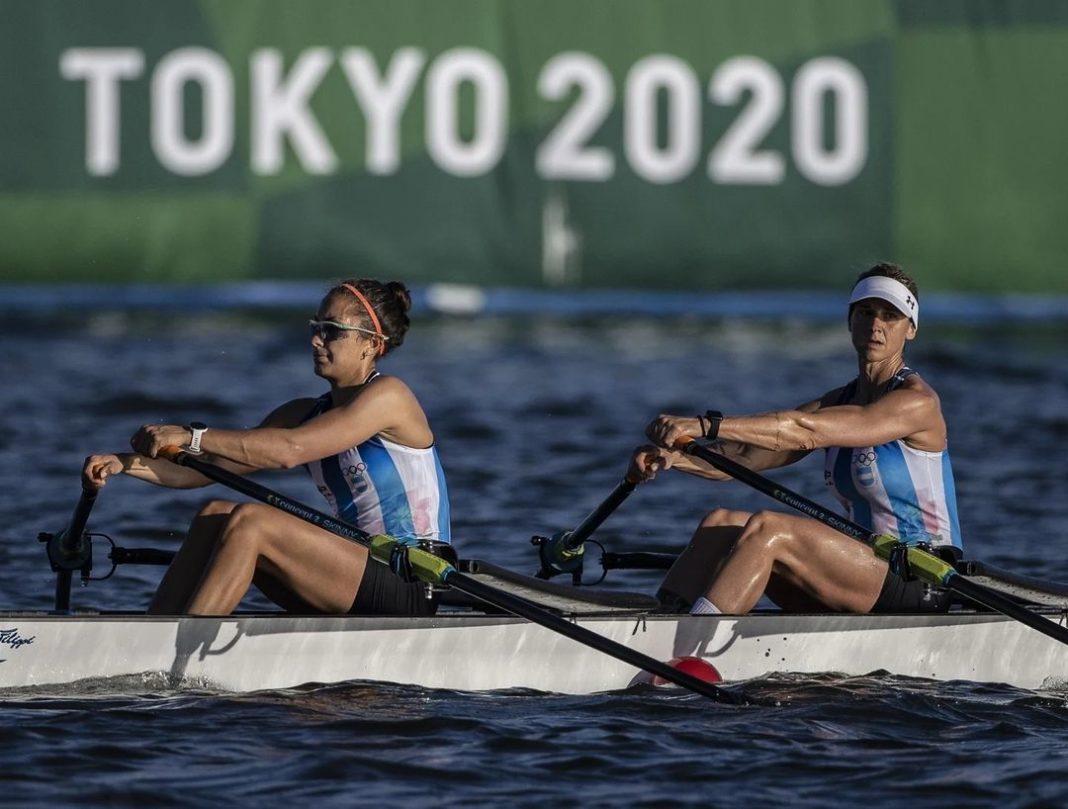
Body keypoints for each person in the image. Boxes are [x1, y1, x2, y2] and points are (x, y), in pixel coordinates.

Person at [81, 279, 451, 617]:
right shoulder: (303, 413)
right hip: (356, 570)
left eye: (332, 331)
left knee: (252, 522)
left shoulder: (390, 396)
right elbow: (201, 468)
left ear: (371, 344)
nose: (316, 340)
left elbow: (289, 450)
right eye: (316, 327)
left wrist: (190, 435)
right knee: (215, 514)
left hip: (412, 578)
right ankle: (155, 632)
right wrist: (123, 464)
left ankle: (185, 652)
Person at [632, 263, 962, 616]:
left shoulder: (917, 402)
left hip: (921, 576)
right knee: (720, 523)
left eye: (890, 316)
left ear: (910, 329)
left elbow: (804, 432)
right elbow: (743, 456)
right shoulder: (839, 401)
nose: (875, 325)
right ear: (851, 321)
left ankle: (693, 648)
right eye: (865, 313)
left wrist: (704, 425)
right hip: (864, 564)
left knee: (770, 528)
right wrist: (673, 458)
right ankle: (659, 625)